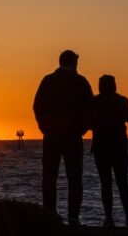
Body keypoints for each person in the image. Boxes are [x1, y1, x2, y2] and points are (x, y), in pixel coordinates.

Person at [33, 49, 94, 226]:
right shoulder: (81, 82)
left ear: (60, 62)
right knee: (74, 178)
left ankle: (49, 214)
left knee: (49, 176)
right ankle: (73, 217)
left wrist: (44, 127)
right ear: (75, 63)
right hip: (73, 136)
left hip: (52, 136)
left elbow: (37, 106)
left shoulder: (48, 81)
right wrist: (82, 129)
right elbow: (90, 108)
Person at [91, 74, 128, 228]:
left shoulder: (94, 102)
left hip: (101, 147)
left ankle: (109, 218)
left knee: (106, 183)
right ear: (114, 86)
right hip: (119, 146)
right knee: (122, 182)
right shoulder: (122, 101)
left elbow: (89, 121)